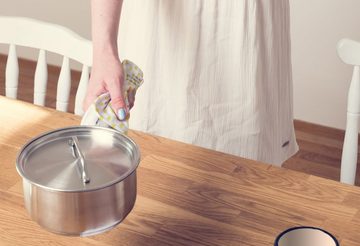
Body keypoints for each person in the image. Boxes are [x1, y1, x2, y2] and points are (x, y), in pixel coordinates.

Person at [84, 0, 298, 166]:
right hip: (161, 30)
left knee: (248, 171)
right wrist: (103, 51)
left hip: (247, 27)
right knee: (146, 164)